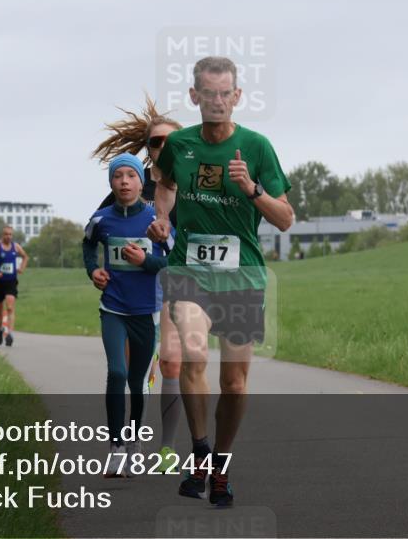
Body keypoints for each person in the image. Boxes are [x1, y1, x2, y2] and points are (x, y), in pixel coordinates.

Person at [147, 56, 293, 507]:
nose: (216, 101)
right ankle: (200, 449)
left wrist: (251, 188)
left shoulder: (258, 146)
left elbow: (285, 219)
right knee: (192, 353)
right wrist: (163, 218)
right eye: (207, 93)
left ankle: (221, 469)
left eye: (224, 93)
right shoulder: (180, 145)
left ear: (237, 97)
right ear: (195, 96)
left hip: (242, 275)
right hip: (189, 269)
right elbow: (166, 184)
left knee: (234, 382)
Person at [92, 94, 185, 473]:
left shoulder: (195, 187)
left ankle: (166, 448)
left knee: (172, 361)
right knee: (134, 370)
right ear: (147, 148)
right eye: (156, 142)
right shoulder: (132, 184)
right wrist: (100, 270)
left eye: (171, 142)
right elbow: (103, 230)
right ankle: (129, 444)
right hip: (139, 294)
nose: (163, 148)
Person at [83, 153, 170, 475]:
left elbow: (173, 263)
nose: (123, 181)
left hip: (147, 311)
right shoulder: (101, 219)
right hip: (113, 307)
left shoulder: (155, 222)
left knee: (137, 381)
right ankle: (116, 447)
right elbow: (88, 245)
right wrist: (93, 271)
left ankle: (135, 444)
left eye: (130, 176)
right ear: (111, 182)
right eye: (117, 176)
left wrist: (145, 262)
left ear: (140, 182)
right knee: (117, 372)